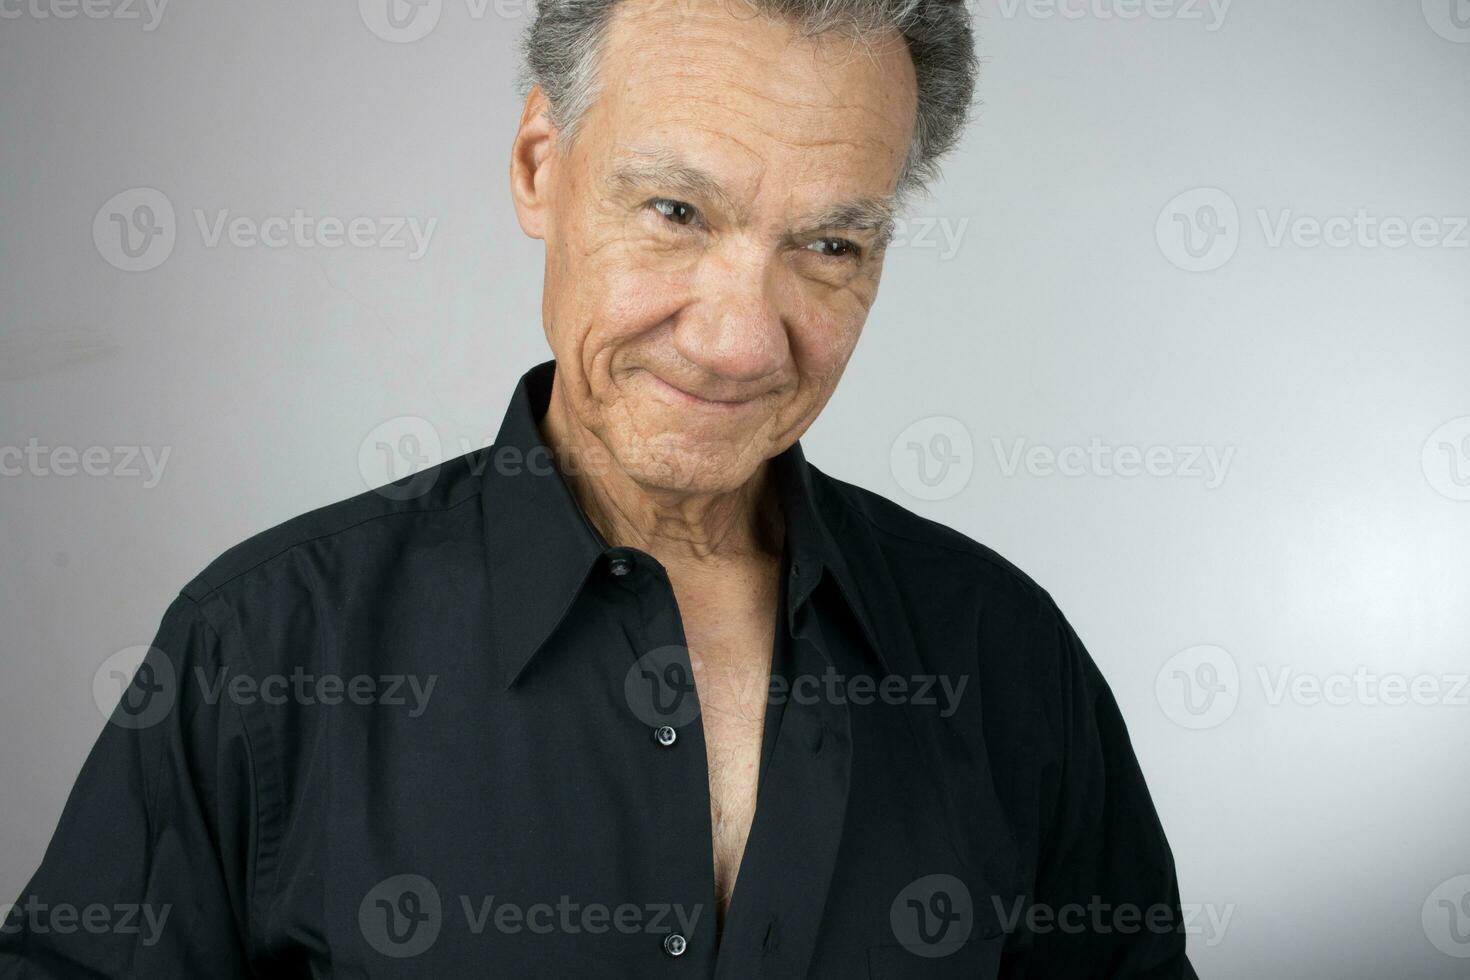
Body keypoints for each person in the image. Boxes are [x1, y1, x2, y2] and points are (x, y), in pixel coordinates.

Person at [0, 0, 1197, 975]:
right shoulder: (262, 647)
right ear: (539, 166)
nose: (738, 340)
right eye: (675, 211)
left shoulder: (1009, 657)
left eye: (829, 245)